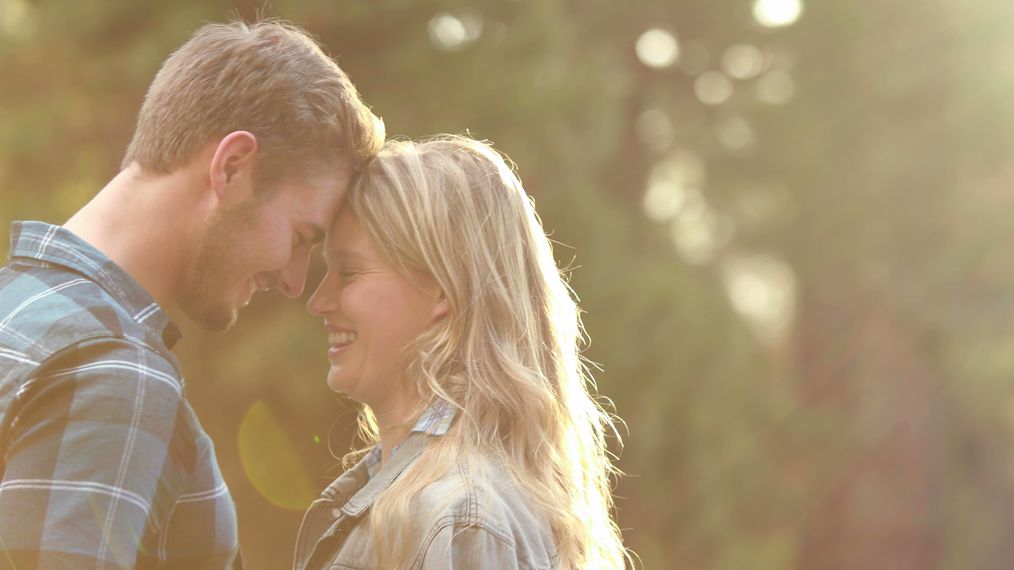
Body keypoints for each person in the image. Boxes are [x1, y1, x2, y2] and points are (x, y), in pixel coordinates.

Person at [0, 20, 383, 568]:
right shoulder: (112, 369)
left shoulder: (16, 307)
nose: (295, 282)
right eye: (301, 238)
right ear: (231, 167)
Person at [297, 135, 628, 569]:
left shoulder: (461, 520)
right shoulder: (427, 504)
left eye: (350, 272)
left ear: (440, 286)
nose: (317, 301)